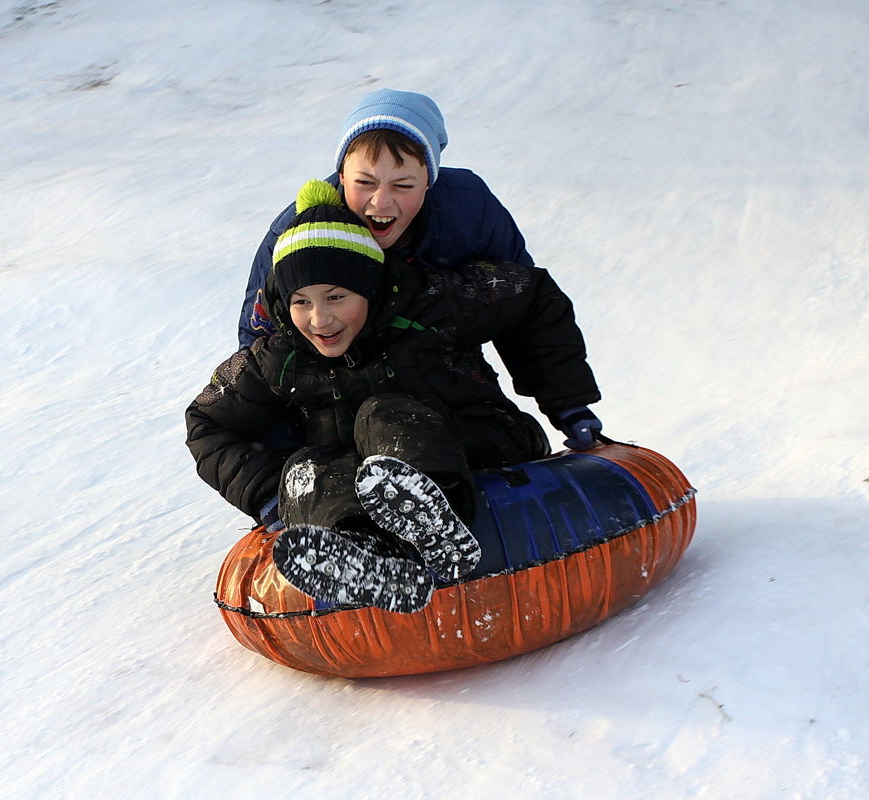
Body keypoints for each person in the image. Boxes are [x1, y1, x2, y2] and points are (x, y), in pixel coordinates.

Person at [189, 180, 602, 613]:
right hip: (369, 482)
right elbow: (206, 419)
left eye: (335, 297)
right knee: (308, 466)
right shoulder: (280, 356)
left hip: (480, 439)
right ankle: (368, 557)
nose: (319, 318)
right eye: (301, 301)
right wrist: (270, 497)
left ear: (369, 287)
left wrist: (568, 404)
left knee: (382, 412)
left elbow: (532, 294)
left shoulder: (431, 302)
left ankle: (435, 523)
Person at [236, 88, 533, 349]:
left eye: (402, 186)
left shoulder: (469, 212)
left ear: (430, 182)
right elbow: (259, 347)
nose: (380, 201)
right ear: (341, 175)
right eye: (364, 183)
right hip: (334, 385)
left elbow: (524, 305)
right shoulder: (301, 234)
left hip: (445, 375)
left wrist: (568, 409)